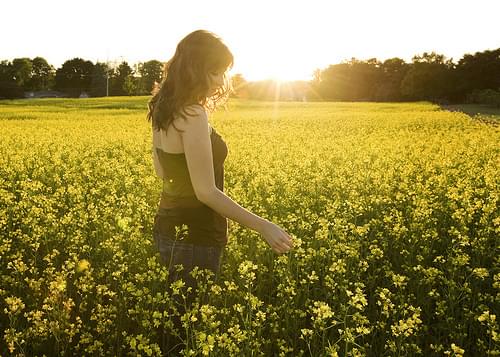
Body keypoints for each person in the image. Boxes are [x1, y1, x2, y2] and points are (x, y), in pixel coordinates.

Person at [146, 29, 294, 355]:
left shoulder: (162, 106)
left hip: (167, 228)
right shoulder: (194, 114)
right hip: (196, 236)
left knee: (172, 325)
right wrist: (263, 226)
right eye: (214, 71)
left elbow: (161, 171)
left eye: (223, 71)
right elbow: (206, 192)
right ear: (195, 69)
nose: (220, 79)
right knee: (186, 332)